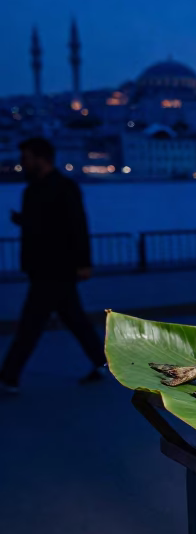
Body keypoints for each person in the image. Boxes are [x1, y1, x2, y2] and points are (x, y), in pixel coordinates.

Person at [1, 137, 108, 394]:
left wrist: (83, 263)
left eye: (26, 158)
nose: (22, 163)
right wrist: (24, 221)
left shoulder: (62, 188)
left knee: (31, 325)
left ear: (41, 158)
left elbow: (77, 226)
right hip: (45, 267)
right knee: (74, 320)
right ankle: (103, 362)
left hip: (55, 268)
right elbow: (49, 225)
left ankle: (9, 376)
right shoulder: (35, 190)